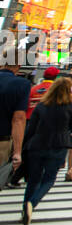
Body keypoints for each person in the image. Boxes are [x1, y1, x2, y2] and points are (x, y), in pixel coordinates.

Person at [20, 77, 72, 224]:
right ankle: (32, 204)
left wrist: (24, 145)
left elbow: (31, 129)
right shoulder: (71, 106)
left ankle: (25, 208)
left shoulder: (42, 105)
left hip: (37, 144)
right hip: (59, 145)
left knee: (33, 179)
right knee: (48, 179)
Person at [0, 57, 29, 188]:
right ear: (18, 65)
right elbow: (18, 119)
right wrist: (17, 151)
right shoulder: (20, 84)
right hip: (2, 140)